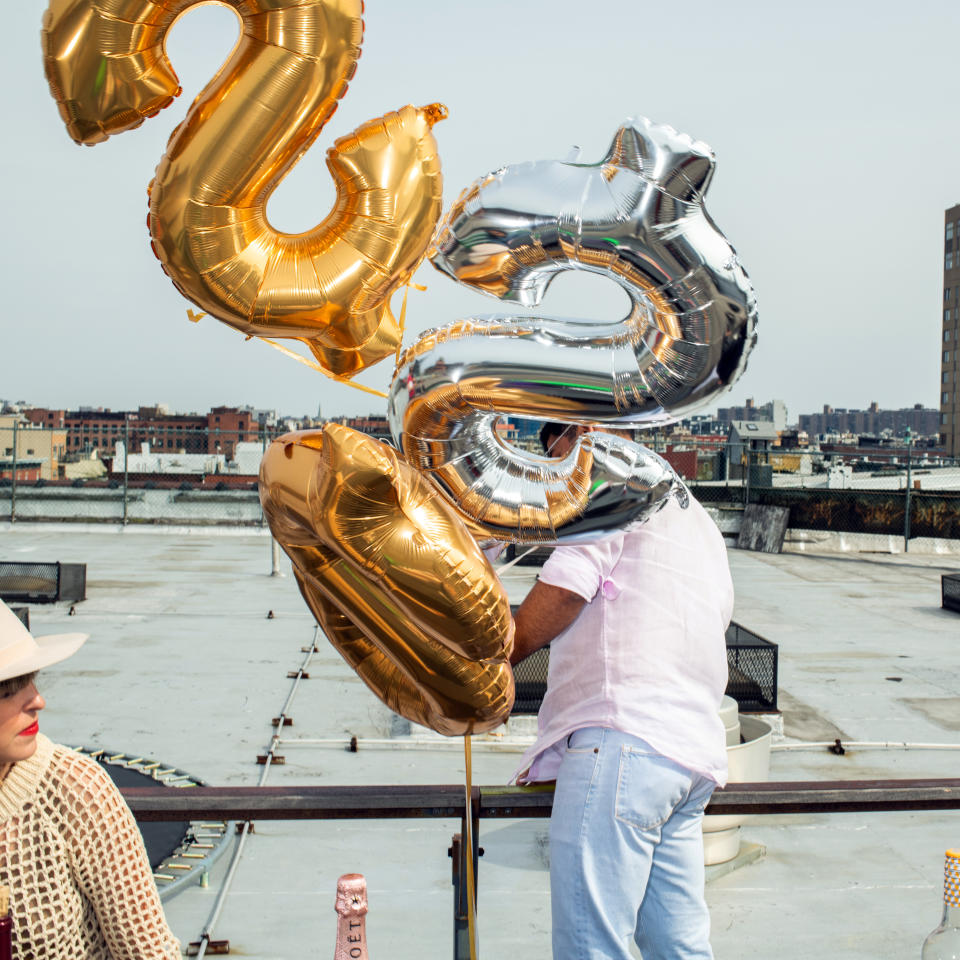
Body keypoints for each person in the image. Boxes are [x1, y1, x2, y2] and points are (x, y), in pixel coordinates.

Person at [509, 422, 734, 960]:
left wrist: (494, 659)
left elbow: (568, 585)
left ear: (585, 432)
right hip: (687, 757)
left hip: (622, 743)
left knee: (591, 947)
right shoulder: (689, 510)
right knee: (678, 949)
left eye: (554, 453)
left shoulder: (604, 472)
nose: (554, 473)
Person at [0, 600, 181, 959]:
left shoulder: (76, 790)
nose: (38, 701)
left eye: (33, 681)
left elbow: (149, 952)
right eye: (7, 692)